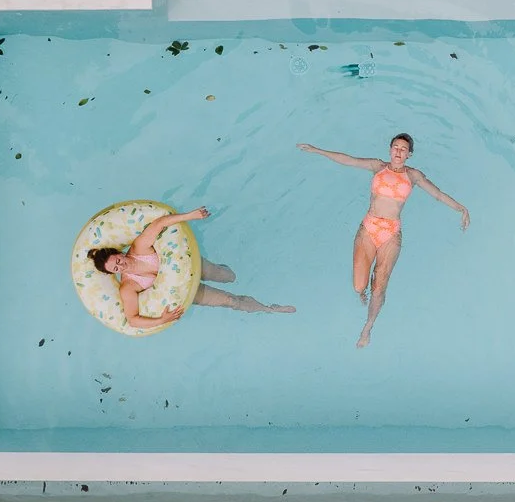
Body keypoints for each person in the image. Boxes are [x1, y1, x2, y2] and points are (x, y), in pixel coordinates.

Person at [297, 134, 469, 347]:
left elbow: (438, 194)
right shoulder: (377, 166)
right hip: (368, 229)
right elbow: (347, 159)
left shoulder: (413, 176)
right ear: (389, 150)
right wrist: (318, 150)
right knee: (359, 287)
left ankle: (368, 326)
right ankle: (363, 293)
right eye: (395, 147)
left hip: (391, 235)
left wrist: (461, 208)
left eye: (403, 149)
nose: (398, 151)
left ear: (409, 154)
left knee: (379, 286)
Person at [87, 206, 294, 329]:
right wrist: (162, 319)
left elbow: (159, 224)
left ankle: (234, 273)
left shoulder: (139, 247)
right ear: (115, 273)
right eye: (116, 269)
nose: (121, 265)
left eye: (117, 260)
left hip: (190, 263)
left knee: (228, 275)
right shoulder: (128, 287)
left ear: (119, 253)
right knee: (230, 300)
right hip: (187, 289)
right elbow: (132, 320)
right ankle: (270, 309)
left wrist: (191, 215)